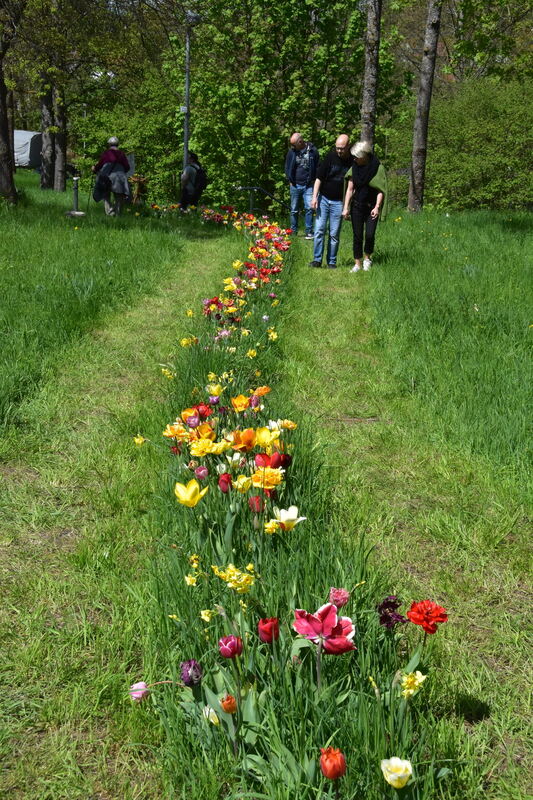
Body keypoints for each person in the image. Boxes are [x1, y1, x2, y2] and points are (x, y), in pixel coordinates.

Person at [342, 141, 387, 273]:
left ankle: (367, 258)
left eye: (357, 157)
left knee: (369, 234)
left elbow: (381, 190)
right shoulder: (354, 168)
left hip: (372, 207)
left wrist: (377, 207)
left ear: (365, 156)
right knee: (357, 236)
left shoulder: (377, 168)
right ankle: (357, 263)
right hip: (357, 206)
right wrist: (346, 207)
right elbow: (350, 189)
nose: (354, 159)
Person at [309, 134, 353, 268]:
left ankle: (331, 262)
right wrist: (314, 197)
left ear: (348, 146)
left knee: (334, 234)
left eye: (342, 148)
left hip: (339, 202)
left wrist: (347, 206)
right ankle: (317, 259)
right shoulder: (330, 157)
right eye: (337, 148)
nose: (339, 151)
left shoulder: (352, 161)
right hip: (324, 199)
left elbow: (352, 186)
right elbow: (319, 178)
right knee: (319, 231)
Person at [284, 132, 319, 238]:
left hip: (308, 184)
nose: (292, 147)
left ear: (300, 141)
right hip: (294, 185)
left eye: (294, 144)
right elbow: (287, 166)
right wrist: (289, 179)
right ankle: (293, 231)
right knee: (294, 209)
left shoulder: (313, 151)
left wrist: (314, 179)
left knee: (309, 208)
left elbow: (318, 166)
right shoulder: (292, 152)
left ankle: (309, 231)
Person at [92, 136, 131, 216]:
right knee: (119, 197)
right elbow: (127, 167)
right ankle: (118, 214)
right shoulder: (122, 154)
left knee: (106, 195)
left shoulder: (106, 153)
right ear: (118, 144)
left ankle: (110, 212)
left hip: (107, 177)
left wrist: (94, 169)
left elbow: (99, 165)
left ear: (109, 144)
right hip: (119, 177)